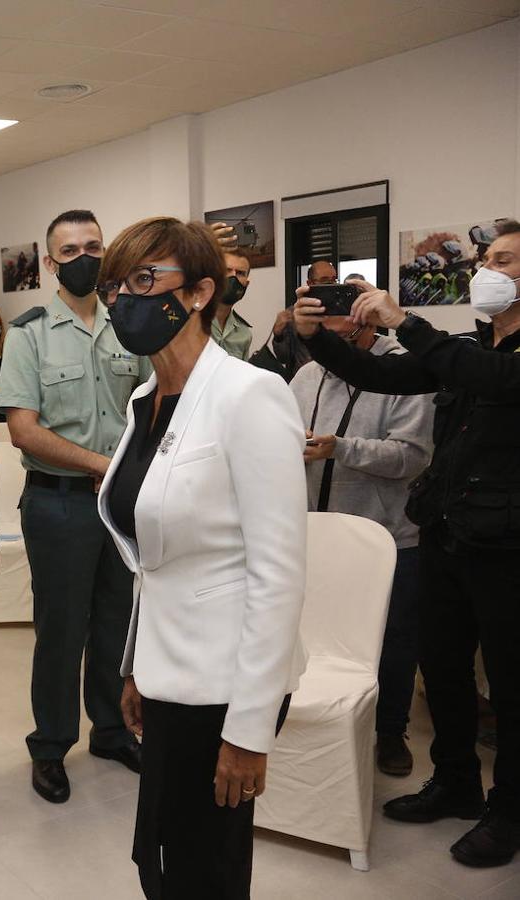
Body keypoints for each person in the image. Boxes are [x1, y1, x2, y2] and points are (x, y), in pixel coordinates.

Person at [293, 219, 520, 869]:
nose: (489, 268)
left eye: (505, 260)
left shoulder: (487, 359)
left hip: (507, 547)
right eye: (487, 257)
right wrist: (315, 340)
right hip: (449, 532)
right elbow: (383, 376)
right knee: (443, 669)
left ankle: (509, 811)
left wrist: (404, 321)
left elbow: (486, 377)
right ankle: (454, 782)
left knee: (509, 686)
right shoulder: (472, 345)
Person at [97, 216, 307, 899]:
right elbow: (153, 562)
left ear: (198, 293)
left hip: (227, 685)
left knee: (205, 870)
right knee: (160, 855)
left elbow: (278, 574)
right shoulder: (144, 401)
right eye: (115, 285)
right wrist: (135, 667)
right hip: (167, 673)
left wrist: (249, 727)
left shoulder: (250, 396)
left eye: (144, 280)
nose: (124, 299)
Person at [0, 208, 149, 807]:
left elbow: (150, 404)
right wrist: (101, 465)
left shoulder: (129, 325)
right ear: (50, 261)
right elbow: (23, 430)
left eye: (93, 246)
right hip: (60, 504)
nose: (84, 257)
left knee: (115, 623)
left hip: (122, 505)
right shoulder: (29, 333)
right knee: (60, 632)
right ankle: (51, 747)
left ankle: (110, 730)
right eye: (70, 249)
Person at [290, 307, 432, 776]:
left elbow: (411, 456)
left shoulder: (405, 370)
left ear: (365, 322)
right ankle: (324, 724)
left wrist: (341, 448)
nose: (326, 339)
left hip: (388, 537)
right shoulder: (307, 376)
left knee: (392, 642)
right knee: (321, 636)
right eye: (319, 330)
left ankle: (390, 731)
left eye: (335, 328)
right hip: (318, 533)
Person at [248, 306, 312, 383]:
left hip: (325, 380)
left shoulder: (329, 314)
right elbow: (283, 357)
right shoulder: (292, 314)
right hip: (298, 381)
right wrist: (278, 335)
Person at [211, 249, 254, 359]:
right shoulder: (192, 322)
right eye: (226, 270)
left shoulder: (244, 333)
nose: (233, 277)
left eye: (240, 273)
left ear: (246, 284)